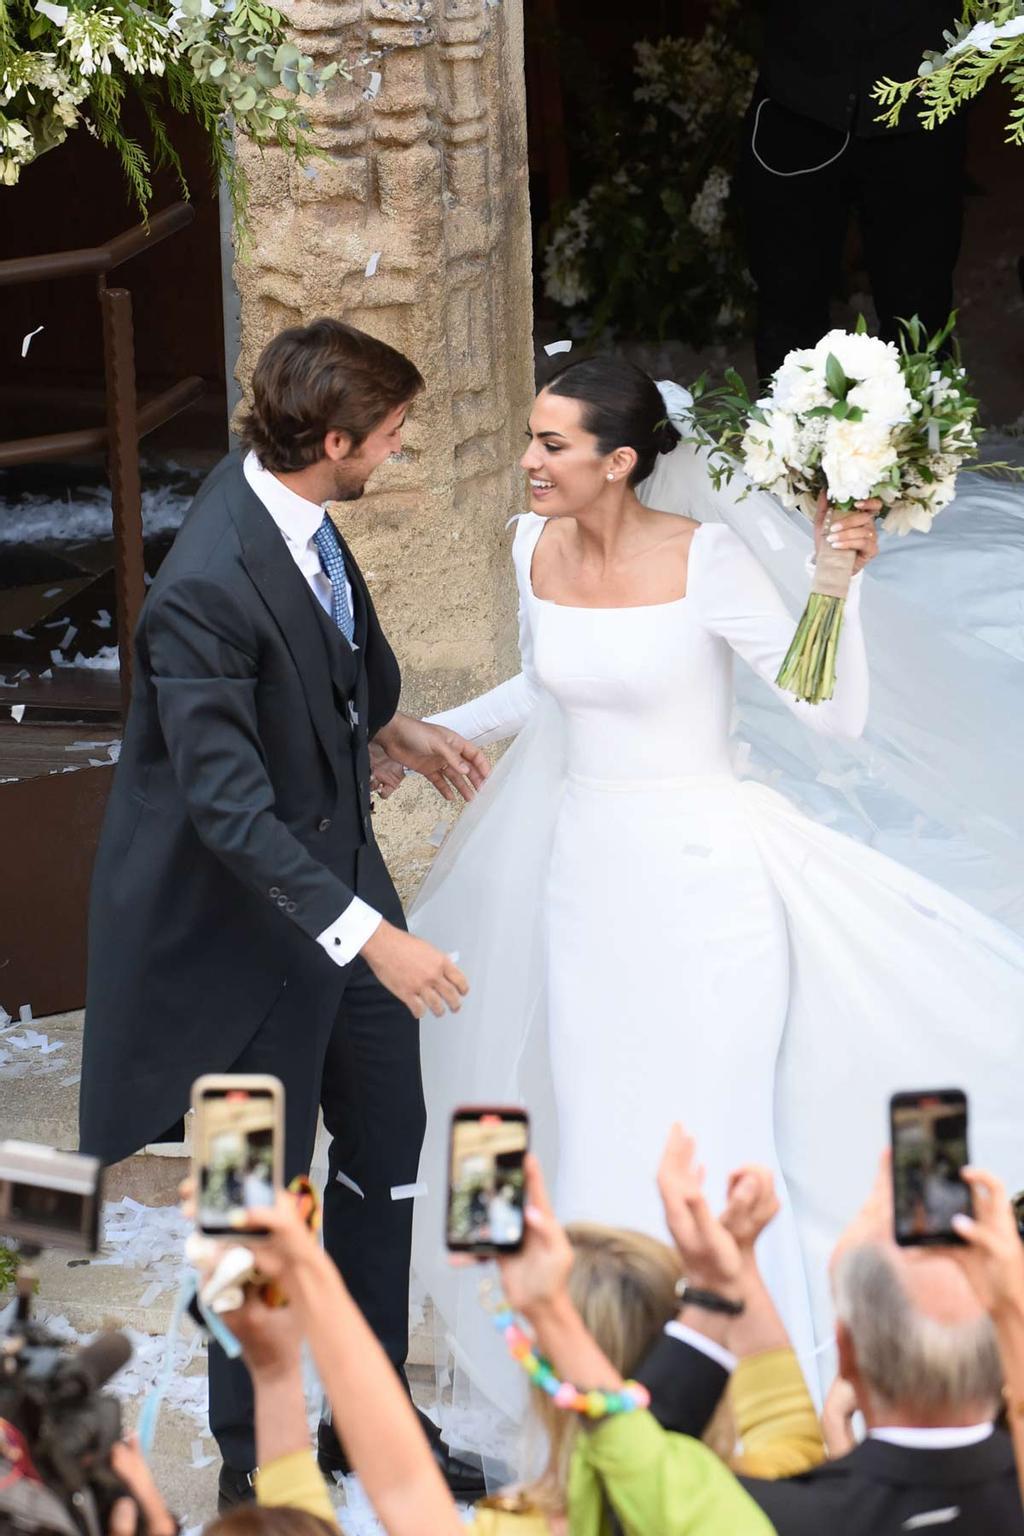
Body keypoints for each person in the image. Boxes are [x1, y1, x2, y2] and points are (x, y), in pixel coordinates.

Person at [406, 355, 1024, 1406]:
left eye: (551, 445)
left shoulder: (708, 560)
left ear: (622, 462)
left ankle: (754, 1394)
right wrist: (422, 736)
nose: (528, 461)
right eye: (531, 438)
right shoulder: (531, 548)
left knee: (710, 1127)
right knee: (599, 1125)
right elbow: (550, 682)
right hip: (584, 882)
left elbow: (828, 714)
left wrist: (836, 581)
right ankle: (611, 1385)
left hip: (707, 888)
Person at [78, 317, 490, 1505]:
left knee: (387, 1144)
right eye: (393, 437)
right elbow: (227, 812)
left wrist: (383, 724)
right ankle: (256, 1463)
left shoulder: (285, 502)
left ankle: (370, 1415)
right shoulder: (203, 586)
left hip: (335, 889)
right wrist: (380, 938)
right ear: (332, 439)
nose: (399, 453)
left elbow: (316, 661)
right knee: (252, 1200)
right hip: (240, 936)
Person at [648, 1152, 1024, 1535]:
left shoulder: (777, 1516)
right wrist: (1012, 1309)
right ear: (1002, 1355)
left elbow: (632, 1477)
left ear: (845, 1354)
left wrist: (716, 1289)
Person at [738, 2, 968, 380]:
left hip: (921, 108)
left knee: (919, 314)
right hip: (800, 98)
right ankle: (789, 435)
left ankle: (916, 434)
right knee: (788, 305)